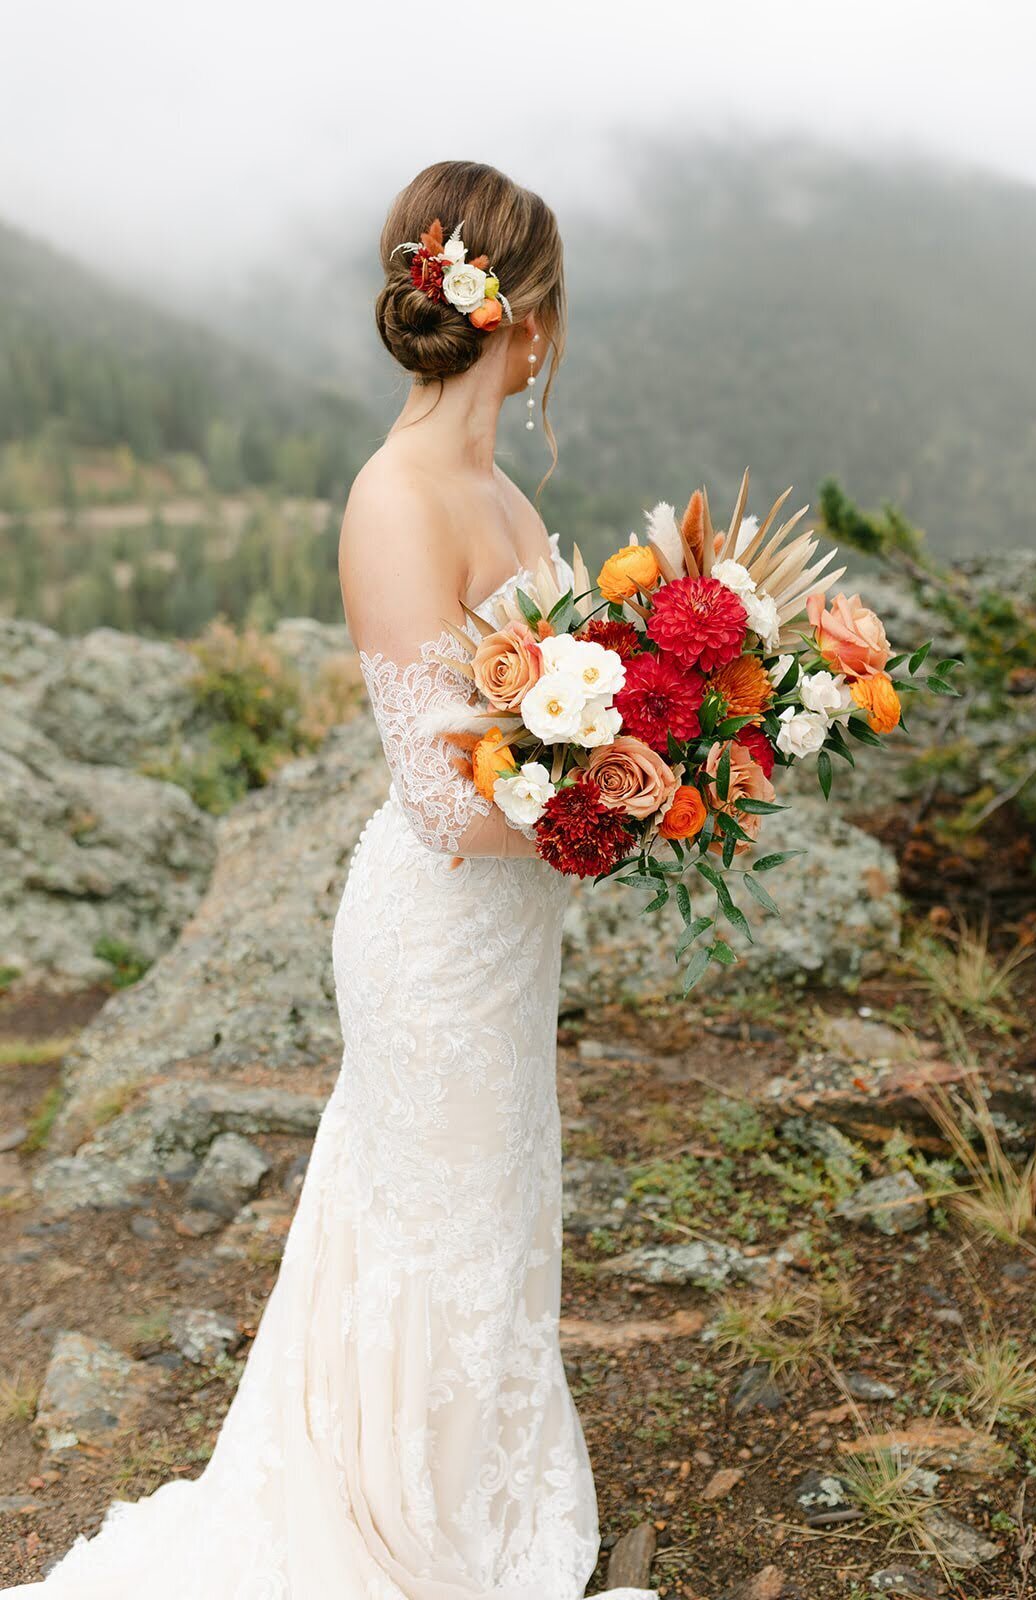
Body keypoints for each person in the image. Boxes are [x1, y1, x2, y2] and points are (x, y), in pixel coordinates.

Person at [6, 160, 657, 1600]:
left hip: (504, 938)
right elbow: (439, 797)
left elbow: (554, 717)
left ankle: (471, 1497)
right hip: (435, 933)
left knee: (488, 1214)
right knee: (435, 1221)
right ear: (527, 318)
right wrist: (611, 808)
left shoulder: (496, 490)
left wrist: (657, 749)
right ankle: (407, 1532)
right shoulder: (398, 497)